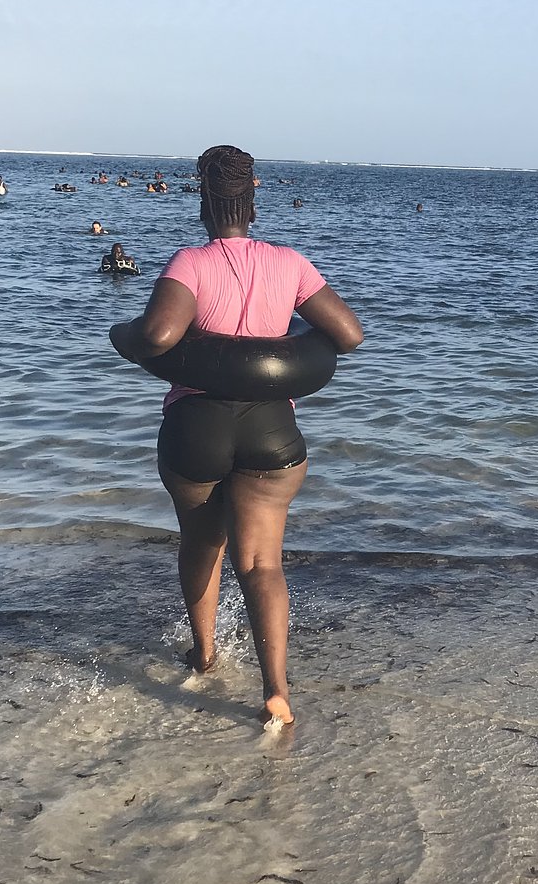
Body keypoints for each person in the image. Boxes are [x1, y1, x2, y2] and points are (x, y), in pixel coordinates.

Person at [109, 142, 362, 726]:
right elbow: (349, 335)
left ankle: (203, 655)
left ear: (203, 201)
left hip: (195, 426)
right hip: (271, 428)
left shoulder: (191, 263)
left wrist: (120, 334)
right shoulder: (290, 263)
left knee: (203, 544)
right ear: (253, 203)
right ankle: (276, 693)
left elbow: (157, 335)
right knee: (262, 564)